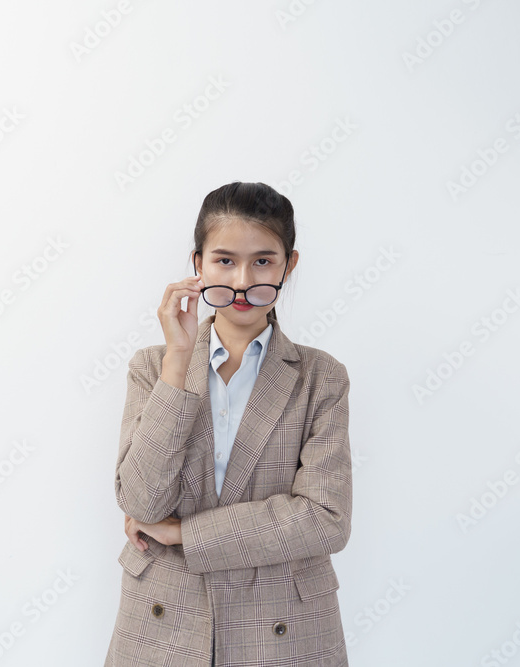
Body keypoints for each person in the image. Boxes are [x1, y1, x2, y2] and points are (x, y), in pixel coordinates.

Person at [104, 182, 353, 666]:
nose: (242, 281)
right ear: (197, 264)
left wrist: (185, 534)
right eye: (224, 260)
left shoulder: (322, 378)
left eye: (263, 261)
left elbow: (326, 520)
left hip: (282, 620)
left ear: (289, 265)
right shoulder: (152, 366)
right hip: (164, 619)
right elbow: (139, 501)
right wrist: (177, 361)